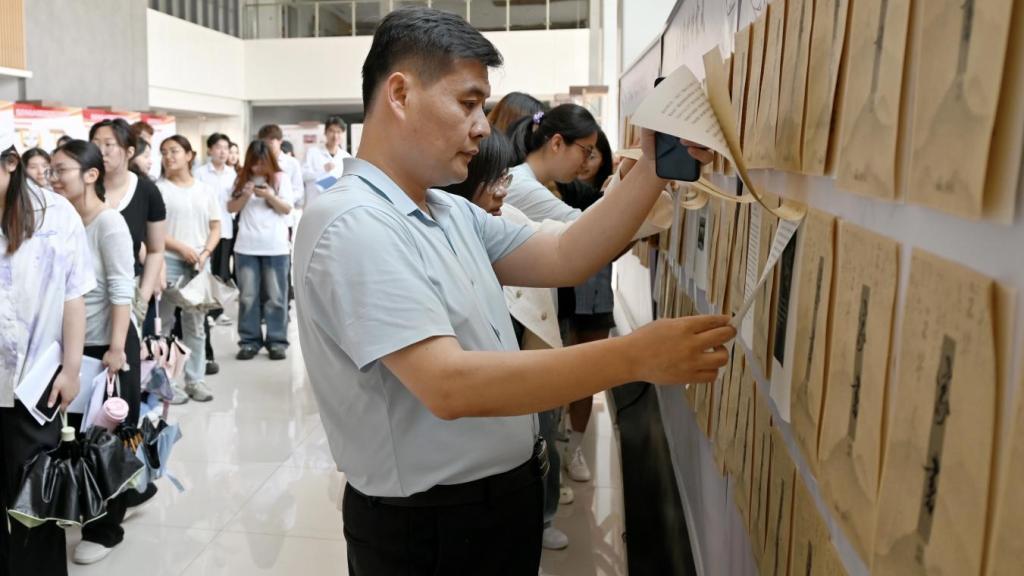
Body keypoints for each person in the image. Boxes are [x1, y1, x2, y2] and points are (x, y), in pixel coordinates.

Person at [293, 8, 733, 575]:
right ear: (400, 94)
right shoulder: (354, 222)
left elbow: (565, 253)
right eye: (467, 103)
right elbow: (448, 384)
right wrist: (634, 357)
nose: (483, 127)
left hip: (492, 505)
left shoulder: (446, 209)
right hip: (429, 528)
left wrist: (652, 167)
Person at [441, 130, 574, 551]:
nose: (502, 191)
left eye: (505, 179)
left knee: (540, 440)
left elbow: (566, 243)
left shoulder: (504, 220)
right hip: (468, 449)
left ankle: (542, 515)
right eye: (491, 180)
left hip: (523, 389)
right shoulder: (435, 236)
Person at [0, 135, 92, 576]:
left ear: (10, 163)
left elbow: (74, 295)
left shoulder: (56, 214)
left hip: (34, 384)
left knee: (35, 502)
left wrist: (71, 369)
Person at [49, 140, 138, 565]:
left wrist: (117, 348)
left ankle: (106, 529)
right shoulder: (61, 220)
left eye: (61, 170)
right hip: (75, 344)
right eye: (50, 170)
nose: (52, 178)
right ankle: (126, 493)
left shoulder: (109, 223)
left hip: (108, 344)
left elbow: (122, 288)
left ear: (90, 175)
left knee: (105, 440)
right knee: (78, 436)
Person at [555, 129, 615, 483]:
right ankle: (556, 442)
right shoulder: (555, 193)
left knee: (587, 377)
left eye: (593, 154)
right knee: (559, 374)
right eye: (583, 151)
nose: (585, 162)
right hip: (562, 298)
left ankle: (574, 447)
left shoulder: (607, 199)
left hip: (596, 298)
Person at [89, 119, 166, 353]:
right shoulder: (83, 187)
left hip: (127, 289)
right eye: (95, 144)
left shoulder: (146, 191)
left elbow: (156, 249)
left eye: (109, 144)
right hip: (86, 291)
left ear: (130, 151)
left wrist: (142, 296)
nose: (101, 151)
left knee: (125, 356)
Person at [156, 135, 221, 402]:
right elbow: (155, 231)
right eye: (164, 152)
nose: (168, 156)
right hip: (168, 261)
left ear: (189, 155)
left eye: (174, 151)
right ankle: (164, 382)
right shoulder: (159, 189)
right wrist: (181, 248)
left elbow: (215, 226)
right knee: (164, 325)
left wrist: (205, 253)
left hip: (198, 263)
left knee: (195, 325)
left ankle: (195, 380)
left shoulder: (204, 190)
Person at [227, 140, 294, 361]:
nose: (257, 168)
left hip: (276, 247)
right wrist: (245, 195)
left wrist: (269, 196)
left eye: (262, 163)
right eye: (254, 163)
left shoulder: (281, 178)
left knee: (276, 297)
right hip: (246, 247)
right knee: (248, 296)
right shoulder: (241, 179)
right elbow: (230, 208)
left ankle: (277, 341)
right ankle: (249, 341)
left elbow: (286, 209)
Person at [195, 133, 238, 374]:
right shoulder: (200, 173)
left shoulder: (233, 174)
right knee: (207, 272)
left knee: (222, 271)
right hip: (206, 231)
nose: (223, 152)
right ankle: (209, 309)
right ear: (210, 150)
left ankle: (218, 310)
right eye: (218, 147)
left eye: (226, 148)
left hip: (226, 229)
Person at [302, 115, 351, 208]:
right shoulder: (312, 152)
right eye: (332, 131)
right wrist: (322, 170)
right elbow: (303, 176)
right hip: (314, 204)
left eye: (339, 132)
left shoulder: (346, 157)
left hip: (336, 205)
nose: (335, 136)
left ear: (342, 134)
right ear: (325, 132)